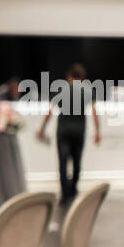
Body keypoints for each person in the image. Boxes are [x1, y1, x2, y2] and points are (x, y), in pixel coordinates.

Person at [35, 64, 102, 205]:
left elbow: (50, 111)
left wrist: (42, 128)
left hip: (63, 131)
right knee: (77, 162)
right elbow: (95, 112)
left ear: (68, 76)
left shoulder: (61, 89)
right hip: (79, 130)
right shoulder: (87, 90)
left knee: (63, 162)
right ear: (82, 77)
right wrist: (98, 131)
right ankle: (73, 189)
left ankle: (65, 195)